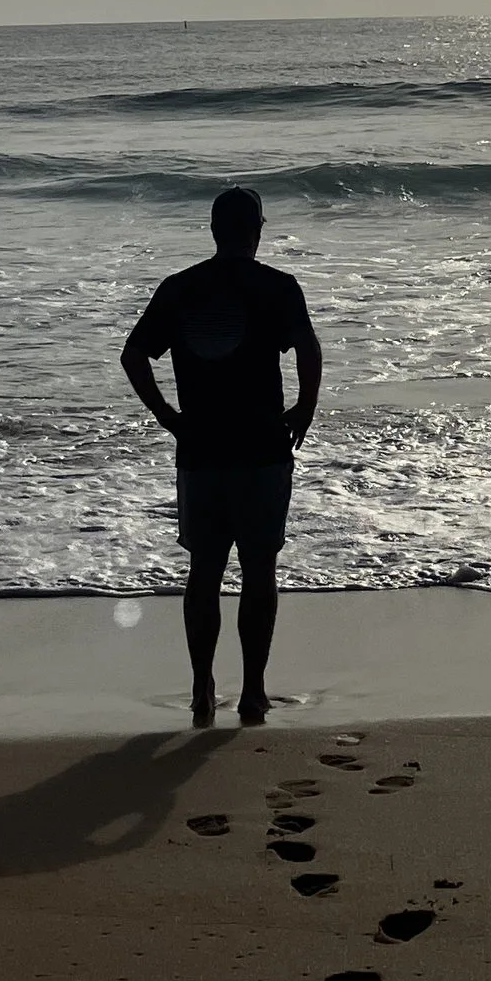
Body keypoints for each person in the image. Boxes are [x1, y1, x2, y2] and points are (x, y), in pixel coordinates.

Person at [121, 186, 321, 727]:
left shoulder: (182, 287)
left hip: (202, 450)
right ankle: (253, 690)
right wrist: (305, 405)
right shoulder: (278, 286)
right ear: (258, 230)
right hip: (261, 449)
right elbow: (307, 345)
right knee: (259, 569)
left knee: (204, 569)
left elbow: (133, 354)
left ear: (213, 230)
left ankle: (202, 688)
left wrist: (167, 416)